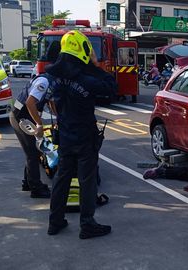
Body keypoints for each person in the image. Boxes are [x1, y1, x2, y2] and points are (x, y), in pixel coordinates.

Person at [45, 31, 117, 239]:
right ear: (83, 49)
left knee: (62, 177)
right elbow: (111, 87)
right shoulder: (86, 78)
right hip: (85, 134)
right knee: (87, 179)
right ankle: (87, 223)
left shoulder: (54, 75)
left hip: (65, 133)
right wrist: (94, 64)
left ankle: (55, 221)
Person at [8, 41, 61, 198]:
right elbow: (30, 103)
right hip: (21, 118)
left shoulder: (51, 81)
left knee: (33, 150)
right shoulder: (44, 81)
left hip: (25, 116)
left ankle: (28, 182)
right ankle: (36, 188)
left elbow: (50, 101)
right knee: (33, 153)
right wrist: (39, 124)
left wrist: (58, 117)